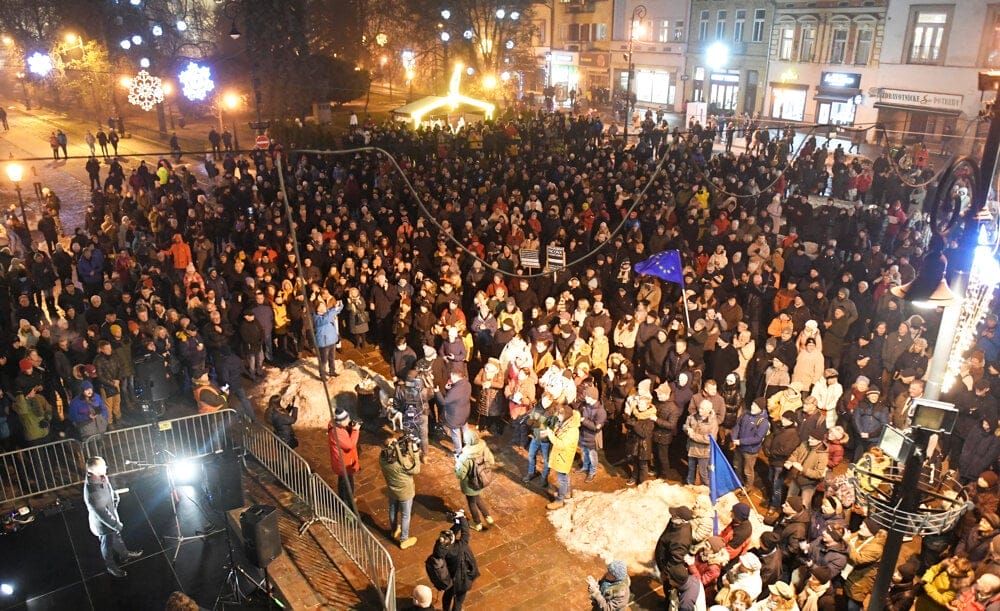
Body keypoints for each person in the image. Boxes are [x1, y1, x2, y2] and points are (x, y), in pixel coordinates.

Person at [83, 456, 142, 577]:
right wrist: (115, 524)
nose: (106, 468)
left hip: (111, 518)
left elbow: (108, 489)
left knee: (117, 537)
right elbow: (102, 514)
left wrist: (115, 497)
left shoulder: (98, 477)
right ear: (96, 471)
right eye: (104, 467)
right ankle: (110, 566)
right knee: (107, 545)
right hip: (104, 526)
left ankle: (124, 554)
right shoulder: (93, 493)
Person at [428, 511, 480, 611]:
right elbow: (465, 533)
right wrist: (463, 518)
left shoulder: (439, 547)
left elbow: (451, 534)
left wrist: (457, 522)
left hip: (449, 578)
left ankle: (445, 609)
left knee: (448, 595)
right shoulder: (460, 547)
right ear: (452, 541)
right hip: (461, 579)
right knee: (459, 600)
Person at [380, 434, 421, 549]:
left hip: (392, 489)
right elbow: (416, 469)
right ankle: (404, 539)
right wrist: (415, 451)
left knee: (393, 509)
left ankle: (394, 530)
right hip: (405, 492)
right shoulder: (402, 463)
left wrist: (396, 445)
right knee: (405, 515)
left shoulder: (382, 458)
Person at [454, 429, 495, 530]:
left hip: (470, 484)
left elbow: (460, 475)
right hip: (482, 480)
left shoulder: (464, 456)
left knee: (472, 502)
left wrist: (457, 462)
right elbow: (492, 461)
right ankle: (487, 517)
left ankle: (477, 523)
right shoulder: (484, 448)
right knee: (477, 498)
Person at [543, 402, 581, 509]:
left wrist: (550, 434)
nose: (558, 417)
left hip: (564, 457)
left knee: (562, 479)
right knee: (564, 476)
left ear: (566, 416)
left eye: (560, 415)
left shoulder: (573, 430)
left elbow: (561, 444)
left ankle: (559, 500)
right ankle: (567, 493)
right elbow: (558, 428)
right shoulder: (566, 423)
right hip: (561, 456)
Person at [328, 409, 361, 514]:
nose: (349, 420)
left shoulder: (336, 426)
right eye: (346, 419)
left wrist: (350, 427)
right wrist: (355, 431)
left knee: (343, 484)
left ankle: (343, 501)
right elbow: (349, 445)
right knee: (348, 488)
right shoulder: (337, 433)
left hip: (342, 463)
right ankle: (349, 511)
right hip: (344, 464)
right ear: (340, 422)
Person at [435, 370, 472, 456]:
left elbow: (444, 402)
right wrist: (451, 387)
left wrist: (437, 392)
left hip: (455, 415)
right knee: (465, 428)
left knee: (455, 433)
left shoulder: (455, 391)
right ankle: (467, 444)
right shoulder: (467, 384)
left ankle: (458, 451)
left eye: (451, 377)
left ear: (455, 377)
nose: (450, 379)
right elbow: (457, 396)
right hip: (464, 412)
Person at [314, 298, 345, 380]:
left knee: (332, 358)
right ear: (316, 308)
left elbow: (337, 311)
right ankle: (323, 375)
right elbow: (326, 319)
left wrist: (339, 305)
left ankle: (332, 371)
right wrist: (333, 309)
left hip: (332, 341)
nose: (322, 308)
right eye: (320, 307)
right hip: (324, 343)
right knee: (323, 361)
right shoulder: (317, 318)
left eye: (323, 306)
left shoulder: (328, 313)